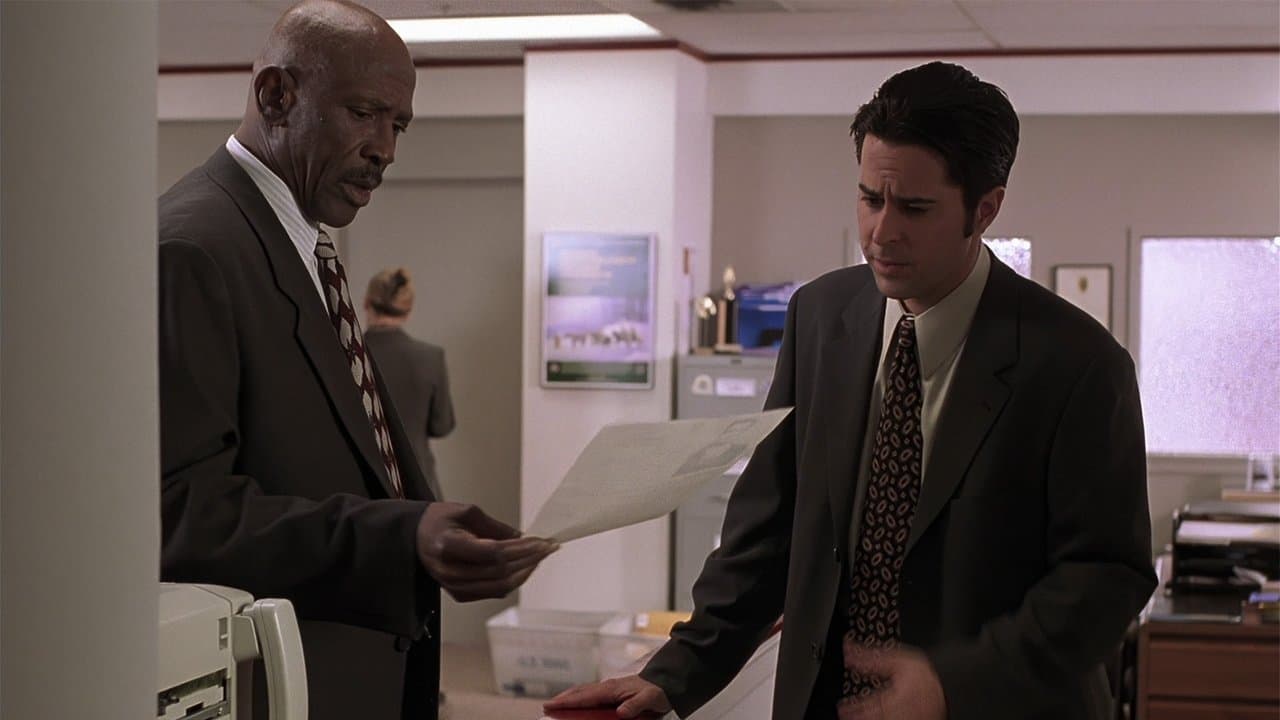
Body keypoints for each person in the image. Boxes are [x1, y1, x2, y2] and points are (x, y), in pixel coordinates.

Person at [545, 61, 1156, 720]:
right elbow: (766, 530)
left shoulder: (1078, 364)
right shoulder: (819, 317)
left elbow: (1106, 578)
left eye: (914, 208)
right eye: (870, 199)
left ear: (984, 209)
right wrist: (679, 669)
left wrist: (955, 684)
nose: (882, 232)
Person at [157, 3, 556, 719]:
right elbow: (180, 515)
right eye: (365, 113)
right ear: (276, 96)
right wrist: (401, 539)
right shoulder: (194, 250)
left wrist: (423, 533)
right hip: (287, 686)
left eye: (399, 125)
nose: (386, 149)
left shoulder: (302, 248)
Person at [363, 267, 455, 502]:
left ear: (366, 303)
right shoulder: (430, 357)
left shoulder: (345, 355)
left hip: (362, 484)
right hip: (418, 486)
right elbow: (442, 425)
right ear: (408, 311)